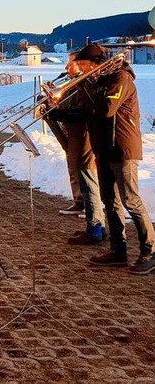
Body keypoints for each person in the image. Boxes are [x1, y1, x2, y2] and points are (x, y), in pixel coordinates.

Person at [74, 44, 155, 274]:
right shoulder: (97, 82)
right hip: (104, 148)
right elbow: (87, 112)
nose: (80, 69)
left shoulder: (120, 77)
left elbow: (106, 108)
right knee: (110, 201)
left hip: (123, 148)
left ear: (95, 64)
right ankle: (118, 251)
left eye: (83, 65)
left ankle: (150, 250)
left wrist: (85, 88)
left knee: (131, 199)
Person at [46, 53, 106, 244]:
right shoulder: (76, 85)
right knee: (85, 183)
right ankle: (94, 225)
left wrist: (57, 111)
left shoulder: (85, 87)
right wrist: (53, 104)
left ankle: (96, 226)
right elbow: (71, 107)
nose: (66, 68)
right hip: (75, 138)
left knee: (89, 184)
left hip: (84, 139)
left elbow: (80, 112)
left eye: (70, 64)